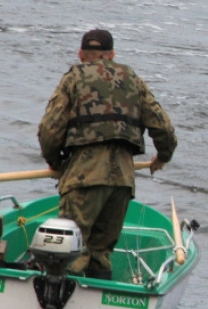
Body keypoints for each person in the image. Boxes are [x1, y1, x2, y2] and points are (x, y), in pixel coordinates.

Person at [38, 28, 177, 279]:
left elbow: (50, 129)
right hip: (122, 181)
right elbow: (162, 126)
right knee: (101, 252)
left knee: (72, 250)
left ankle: (64, 306)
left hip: (84, 176)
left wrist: (55, 162)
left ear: (81, 54)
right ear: (111, 55)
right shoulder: (132, 78)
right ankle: (100, 302)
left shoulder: (74, 78)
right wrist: (163, 157)